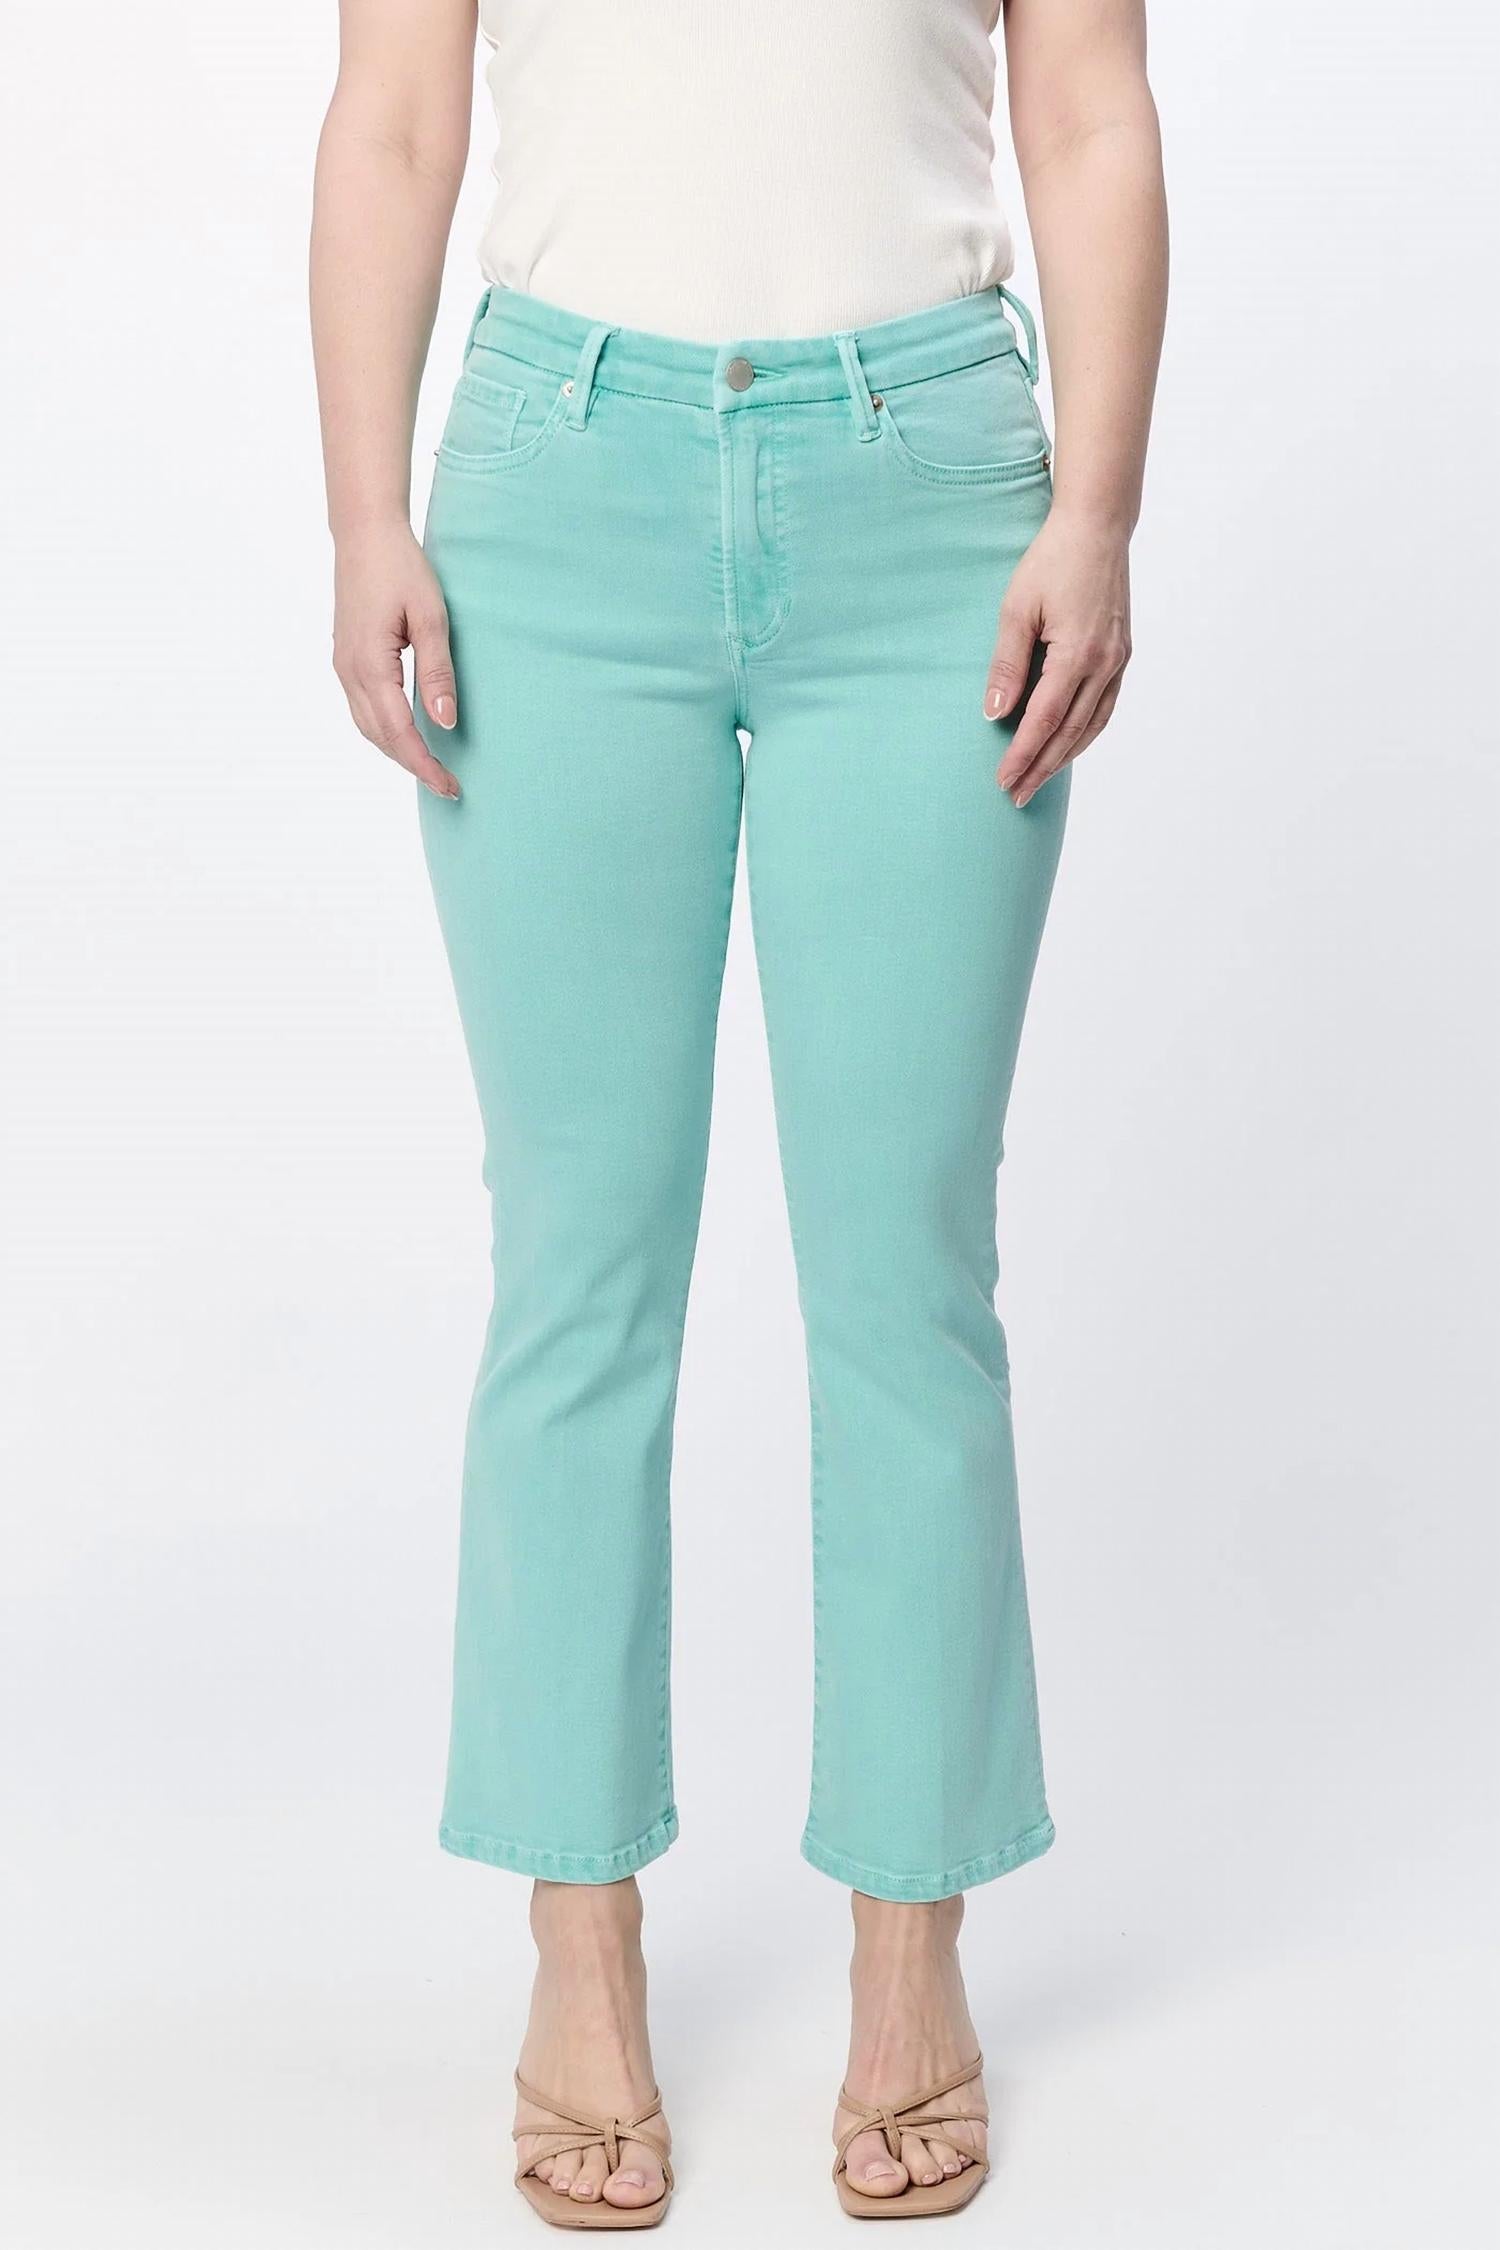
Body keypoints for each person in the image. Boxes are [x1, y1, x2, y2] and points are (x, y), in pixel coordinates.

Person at [312, 0, 1165, 2225]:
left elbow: (1088, 104)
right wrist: (361, 512)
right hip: (554, 489)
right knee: (577, 1268)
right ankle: (578, 1941)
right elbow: (393, 117)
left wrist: (1098, 506)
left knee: (909, 1275)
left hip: (931, 492)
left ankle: (912, 1945)